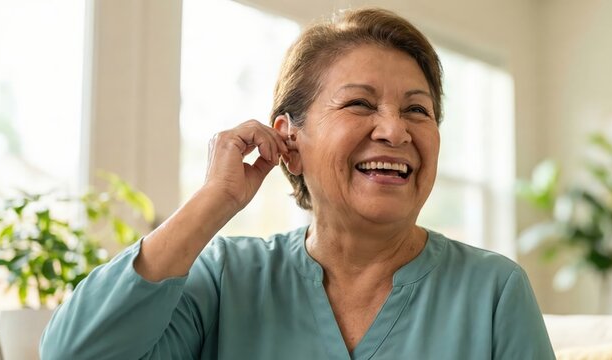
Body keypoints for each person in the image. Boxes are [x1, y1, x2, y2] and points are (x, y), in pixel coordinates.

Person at [40, 8, 554, 359]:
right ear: (289, 142)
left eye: (417, 110)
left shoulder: (494, 291)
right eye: (359, 103)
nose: (395, 130)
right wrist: (214, 201)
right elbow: (73, 353)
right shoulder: (225, 281)